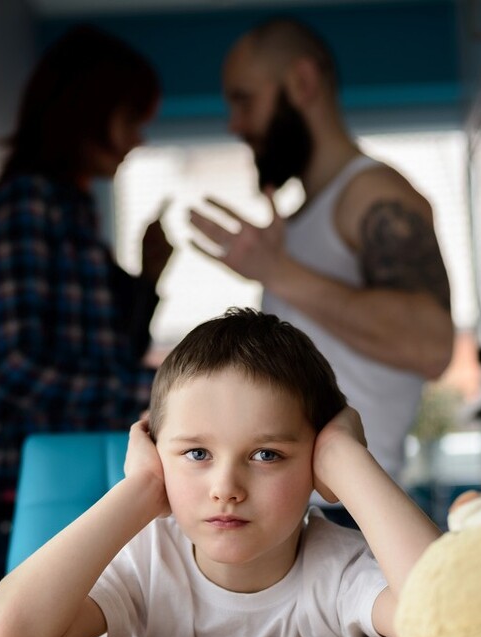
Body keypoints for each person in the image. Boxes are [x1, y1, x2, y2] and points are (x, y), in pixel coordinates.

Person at [0, 308, 441, 637]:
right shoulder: (147, 568)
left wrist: (346, 460)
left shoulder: (339, 573)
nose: (226, 489)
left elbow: (452, 614)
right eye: (196, 454)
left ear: (316, 467)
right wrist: (140, 488)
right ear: (158, 454)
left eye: (266, 455)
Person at [188, 17, 455, 527]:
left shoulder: (375, 195)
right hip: (298, 514)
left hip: (354, 516)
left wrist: (277, 270)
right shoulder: (300, 216)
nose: (234, 123)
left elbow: (432, 346)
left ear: (303, 83)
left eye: (244, 100)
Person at [0, 25, 174, 604]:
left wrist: (148, 278)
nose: (136, 140)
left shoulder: (72, 215)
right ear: (88, 113)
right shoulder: (27, 208)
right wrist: (163, 392)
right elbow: (13, 375)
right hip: (21, 492)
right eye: (131, 119)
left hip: (72, 480)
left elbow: (103, 357)